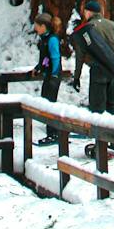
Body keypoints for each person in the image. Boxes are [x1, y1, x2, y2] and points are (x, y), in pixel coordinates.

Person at [70, 0, 114, 115]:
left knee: (97, 109)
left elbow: (80, 56)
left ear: (88, 12)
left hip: (98, 71)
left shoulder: (86, 30)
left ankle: (98, 133)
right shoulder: (112, 25)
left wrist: (77, 77)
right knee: (112, 105)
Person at [32, 12, 62, 146]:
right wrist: (38, 67)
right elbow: (45, 57)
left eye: (37, 26)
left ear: (43, 26)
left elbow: (55, 57)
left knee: (50, 104)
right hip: (48, 74)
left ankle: (53, 133)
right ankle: (52, 132)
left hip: (53, 76)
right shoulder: (44, 38)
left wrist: (54, 74)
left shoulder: (52, 39)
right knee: (45, 102)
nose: (35, 28)